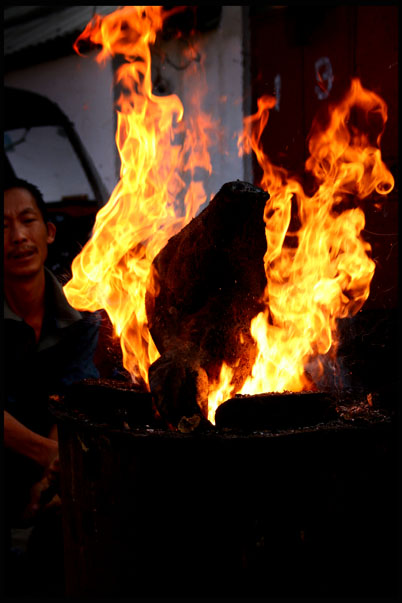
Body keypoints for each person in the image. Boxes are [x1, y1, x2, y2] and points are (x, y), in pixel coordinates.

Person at [3, 178, 100, 596]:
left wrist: (49, 481)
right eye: (3, 226)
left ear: (50, 232)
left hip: (49, 494)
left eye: (28, 221)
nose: (18, 236)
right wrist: (49, 455)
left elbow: (74, 395)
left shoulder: (81, 314)